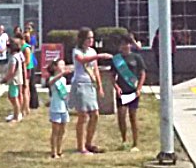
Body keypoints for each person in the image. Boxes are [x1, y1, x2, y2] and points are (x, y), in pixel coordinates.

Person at [69, 27, 112, 155]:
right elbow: (82, 60)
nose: (91, 40)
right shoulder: (76, 51)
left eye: (92, 38)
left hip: (90, 84)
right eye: (89, 38)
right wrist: (99, 55)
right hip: (80, 84)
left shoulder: (92, 51)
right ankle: (80, 146)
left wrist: (100, 86)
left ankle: (89, 143)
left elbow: (95, 70)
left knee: (95, 114)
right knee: (83, 116)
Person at [112, 34, 146, 151]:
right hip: (122, 91)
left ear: (130, 45)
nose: (125, 46)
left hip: (133, 90)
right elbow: (112, 76)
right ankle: (124, 140)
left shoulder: (136, 57)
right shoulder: (117, 59)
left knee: (133, 116)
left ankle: (135, 143)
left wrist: (139, 88)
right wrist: (116, 87)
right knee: (121, 116)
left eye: (127, 44)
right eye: (123, 44)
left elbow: (142, 73)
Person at [47, 58, 73, 158]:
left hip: (64, 108)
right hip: (56, 107)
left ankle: (59, 149)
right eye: (61, 65)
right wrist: (62, 74)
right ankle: (53, 152)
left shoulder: (63, 79)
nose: (63, 66)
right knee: (55, 131)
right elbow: (51, 82)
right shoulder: (53, 78)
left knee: (62, 130)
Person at [2, 38, 24, 123]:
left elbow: (12, 70)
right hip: (18, 79)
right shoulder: (18, 55)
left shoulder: (14, 58)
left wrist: (5, 78)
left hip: (14, 80)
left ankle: (16, 116)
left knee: (14, 98)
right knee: (11, 96)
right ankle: (16, 113)